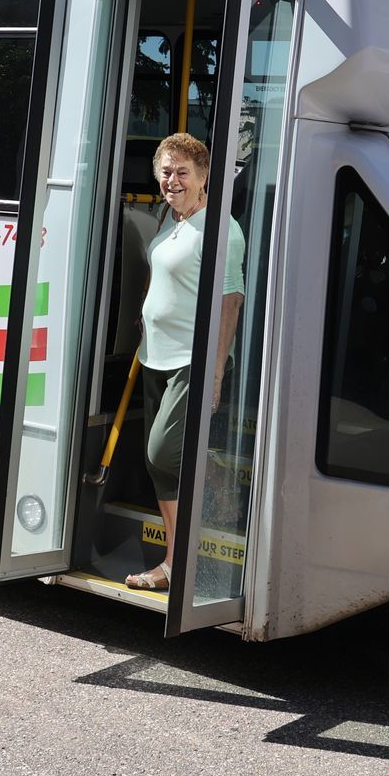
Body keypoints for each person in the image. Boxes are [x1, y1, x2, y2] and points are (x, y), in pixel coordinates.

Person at [125, 132, 246, 591]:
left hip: (191, 362)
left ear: (204, 177)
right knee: (158, 464)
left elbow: (230, 300)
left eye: (182, 173)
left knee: (161, 452)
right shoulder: (168, 219)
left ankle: (213, 473)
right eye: (166, 172)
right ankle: (175, 563)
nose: (172, 180)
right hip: (154, 356)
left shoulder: (219, 228)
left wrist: (214, 371)